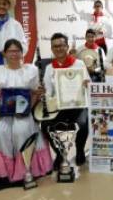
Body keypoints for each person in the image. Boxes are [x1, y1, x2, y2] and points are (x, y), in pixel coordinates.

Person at [0, 39, 52, 190]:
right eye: (10, 51)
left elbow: (34, 96)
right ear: (4, 53)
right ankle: (3, 173)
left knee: (20, 130)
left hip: (24, 113)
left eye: (17, 51)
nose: (14, 54)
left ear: (22, 53)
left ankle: (24, 171)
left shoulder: (31, 70)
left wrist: (38, 94)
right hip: (3, 114)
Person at [38, 33, 90, 167]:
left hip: (77, 106)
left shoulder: (79, 64)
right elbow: (49, 92)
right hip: (59, 107)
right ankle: (60, 153)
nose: (58, 49)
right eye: (55, 46)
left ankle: (79, 151)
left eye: (61, 45)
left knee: (83, 124)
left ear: (67, 47)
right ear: (52, 49)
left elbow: (88, 85)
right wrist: (45, 94)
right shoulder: (49, 68)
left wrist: (87, 84)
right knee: (45, 126)